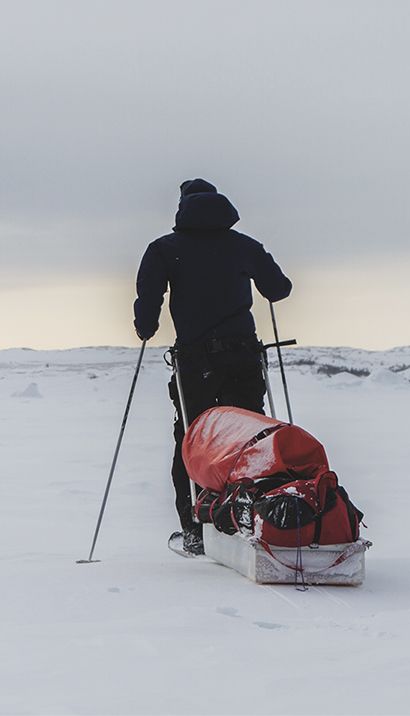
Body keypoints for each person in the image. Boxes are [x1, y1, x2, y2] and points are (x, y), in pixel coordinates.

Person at [133, 179, 292, 556]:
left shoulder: (164, 250)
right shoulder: (245, 246)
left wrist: (146, 326)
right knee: (250, 437)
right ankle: (250, 517)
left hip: (195, 361)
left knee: (192, 438)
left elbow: (147, 301)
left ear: (182, 207)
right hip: (242, 356)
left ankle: (194, 530)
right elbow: (279, 289)